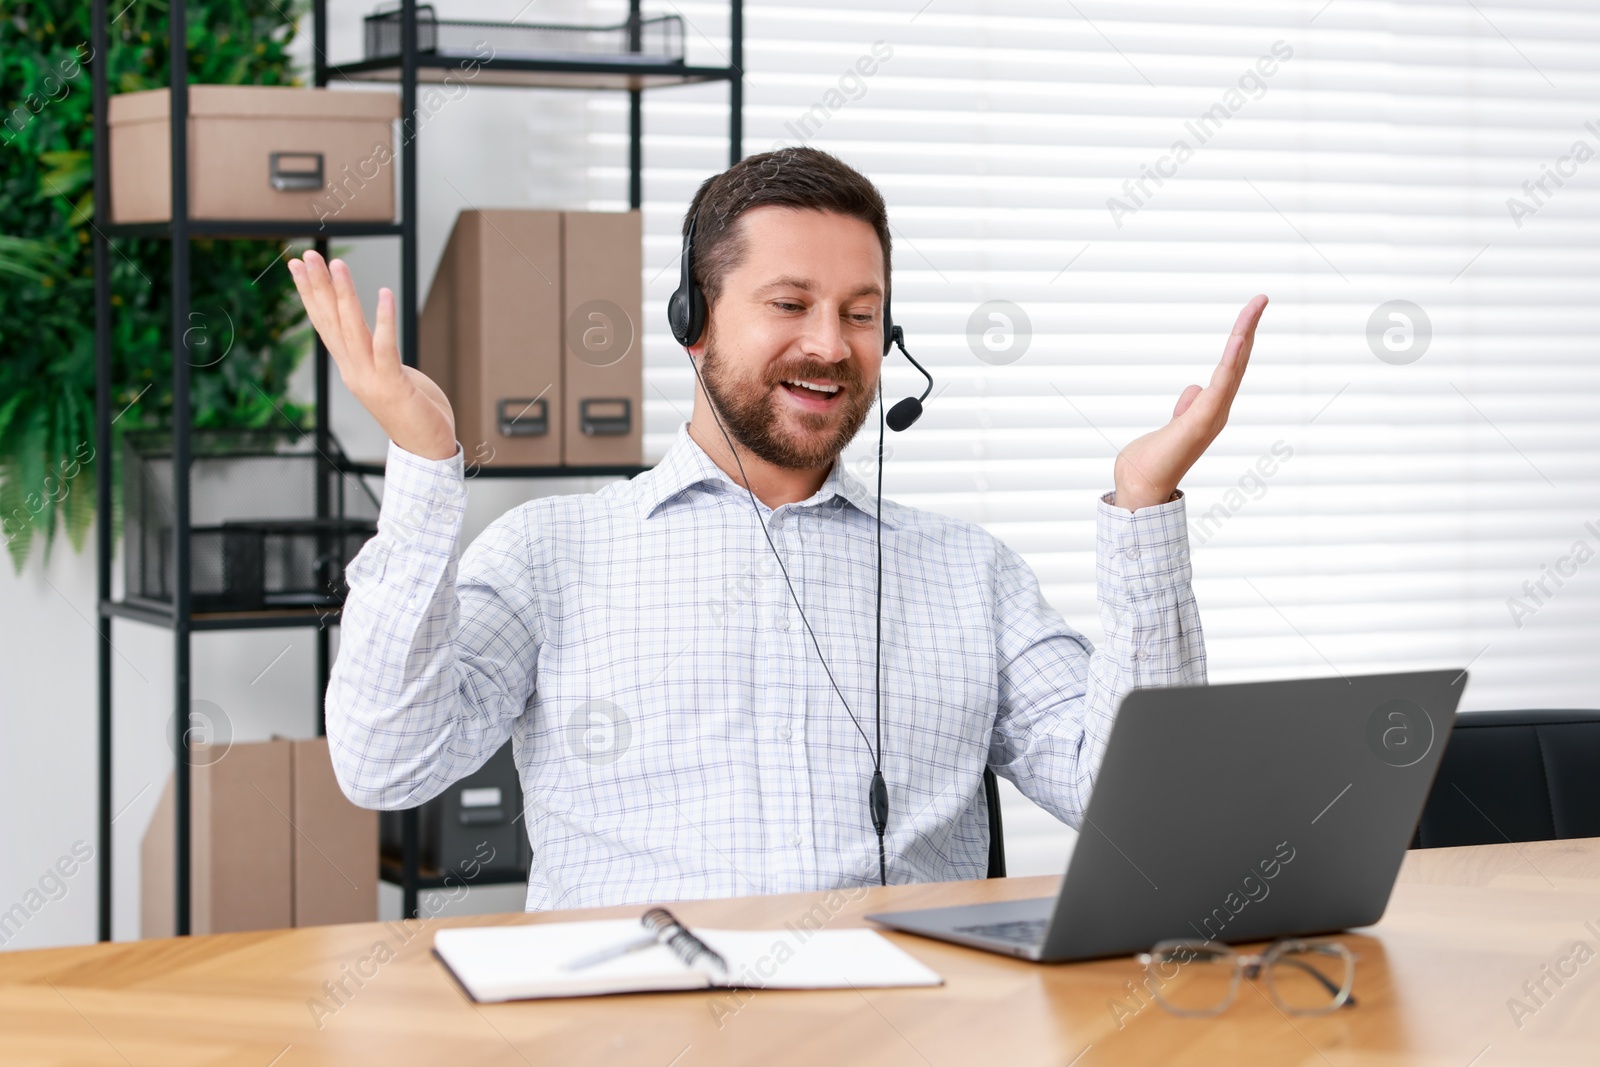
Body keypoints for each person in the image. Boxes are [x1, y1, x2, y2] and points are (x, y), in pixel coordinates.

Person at [287, 147, 1267, 911]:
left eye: (862, 312)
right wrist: (420, 462)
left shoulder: (971, 574)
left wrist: (1145, 503)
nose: (831, 345)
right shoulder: (552, 552)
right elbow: (386, 761)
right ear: (695, 320)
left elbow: (1155, 807)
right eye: (790, 304)